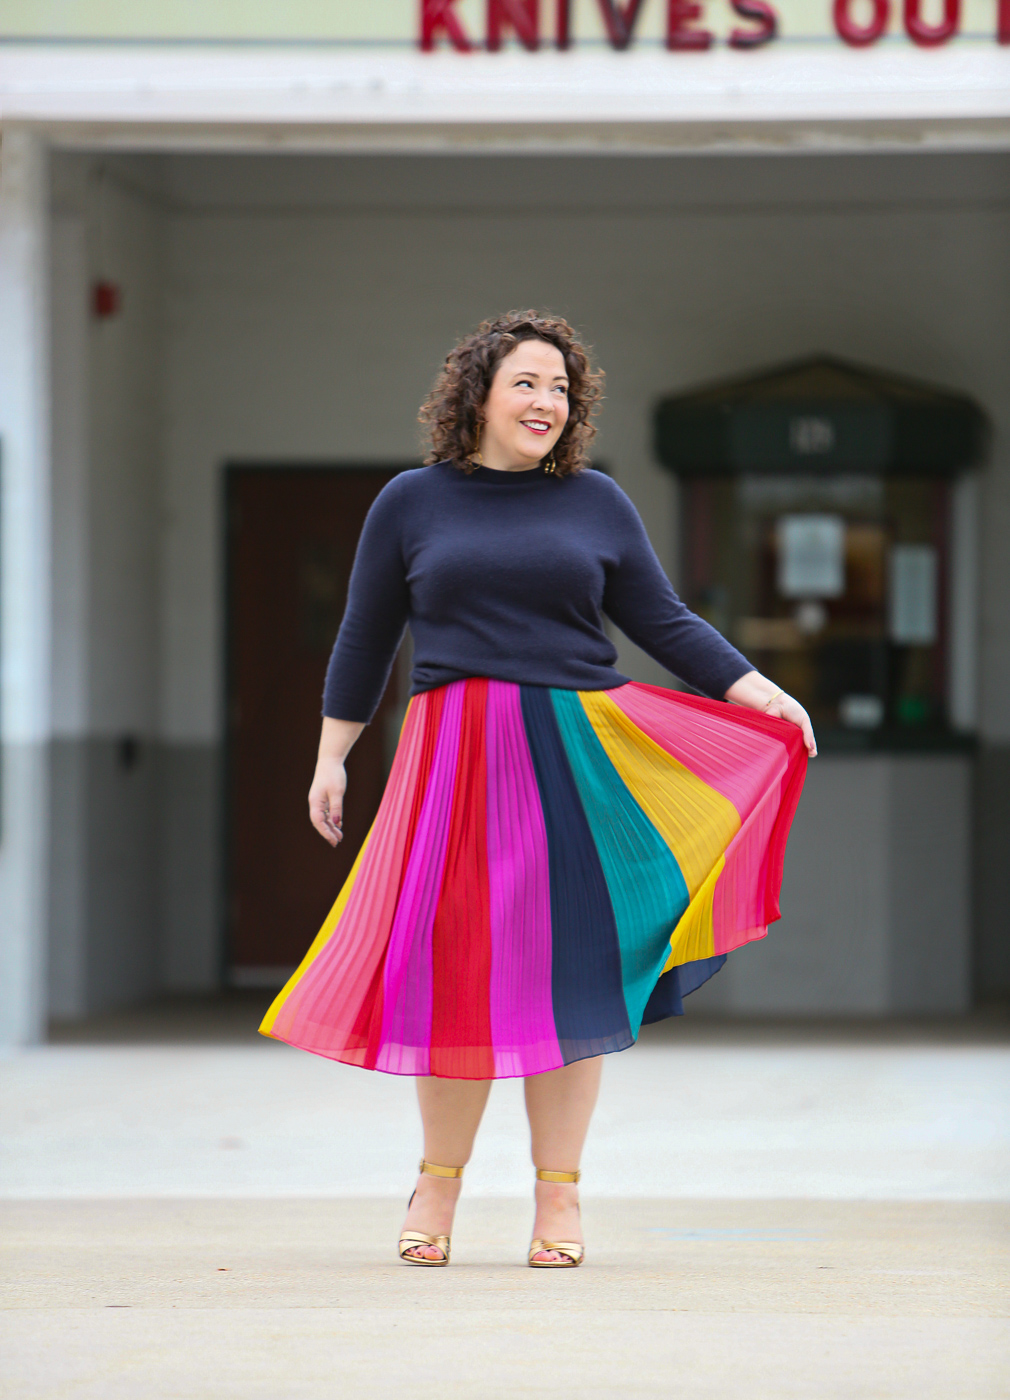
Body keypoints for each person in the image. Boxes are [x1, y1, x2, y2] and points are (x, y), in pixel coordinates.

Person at [260, 311, 814, 1269]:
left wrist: (758, 690)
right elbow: (366, 635)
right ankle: (438, 1181)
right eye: (526, 383)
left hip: (576, 757)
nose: (546, 402)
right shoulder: (410, 501)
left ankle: (559, 1200)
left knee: (568, 971)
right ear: (478, 394)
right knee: (451, 967)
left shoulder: (596, 502)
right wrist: (331, 754)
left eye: (560, 388)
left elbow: (662, 619)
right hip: (449, 759)